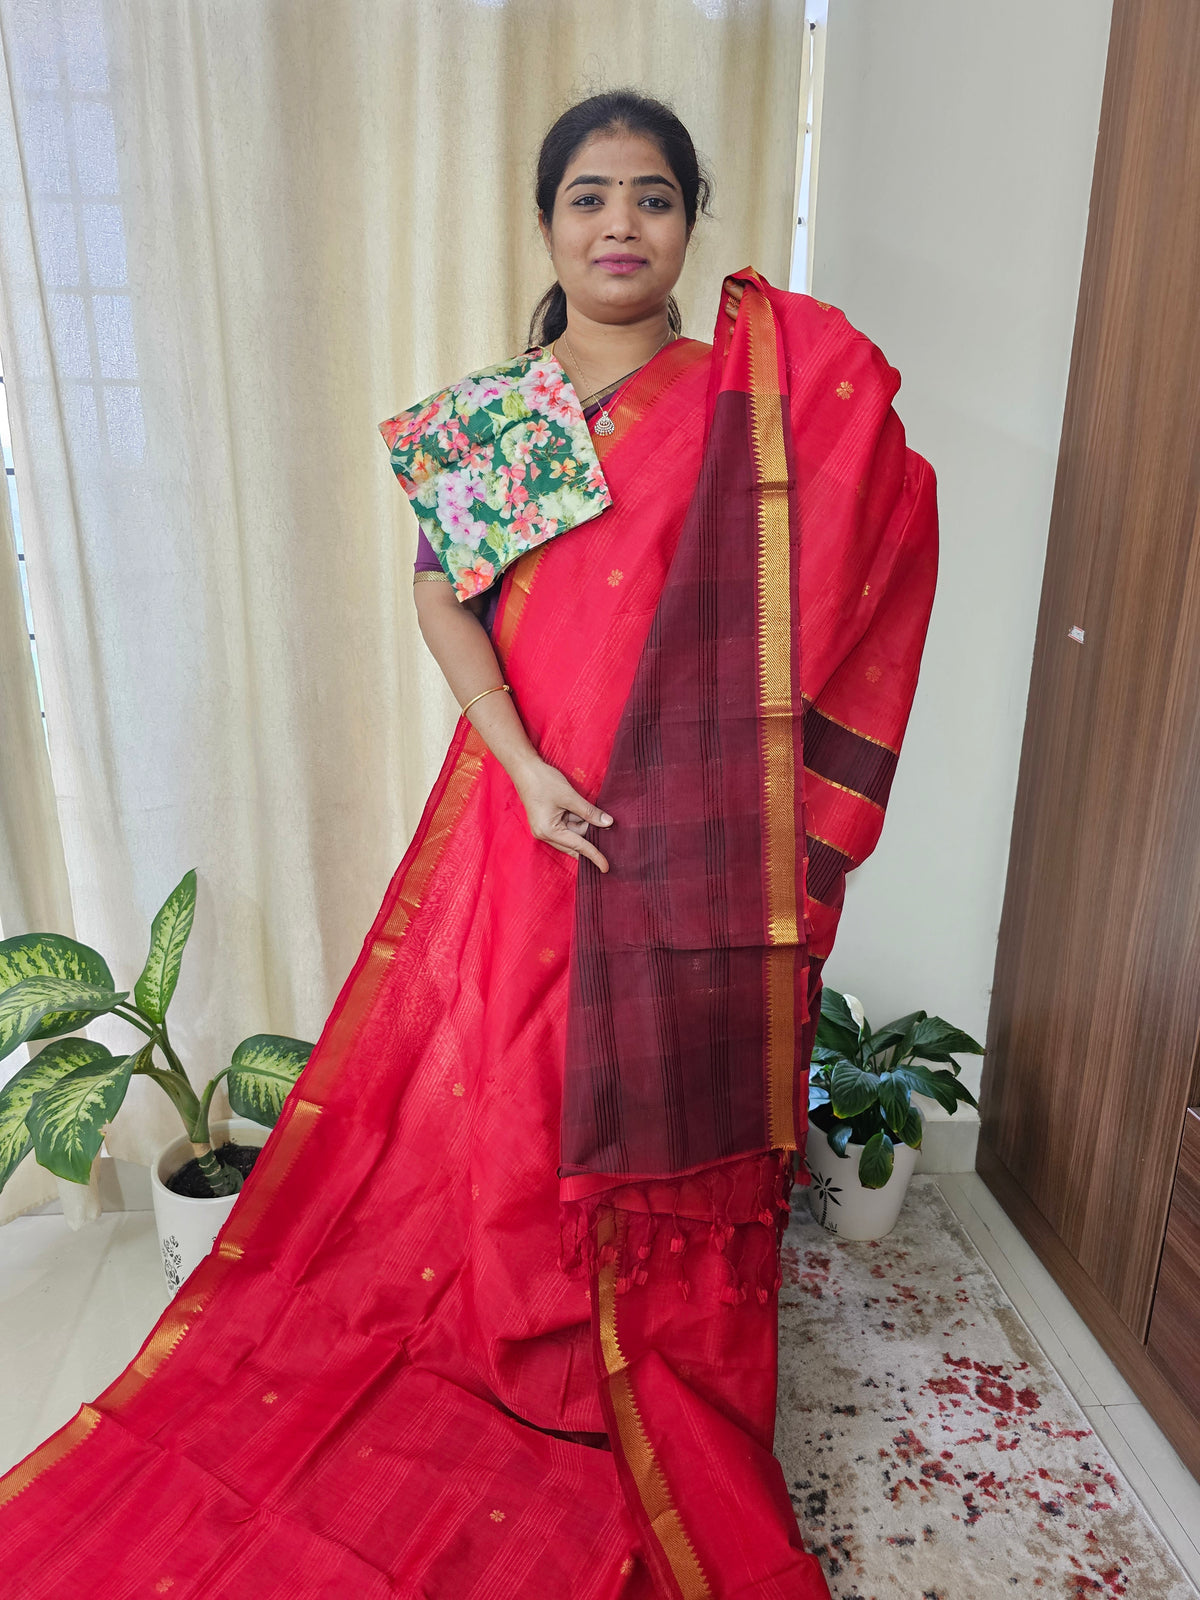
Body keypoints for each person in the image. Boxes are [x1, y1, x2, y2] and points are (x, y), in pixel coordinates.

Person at [0, 91, 937, 1599]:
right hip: (537, 806)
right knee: (523, 1065)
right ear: (547, 225)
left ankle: (639, 1329)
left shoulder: (735, 403)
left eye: (649, 196)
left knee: (647, 1075)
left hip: (687, 828)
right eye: (587, 197)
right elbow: (447, 598)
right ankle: (535, 1327)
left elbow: (865, 512)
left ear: (690, 219)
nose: (618, 224)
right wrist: (521, 762)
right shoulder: (511, 413)